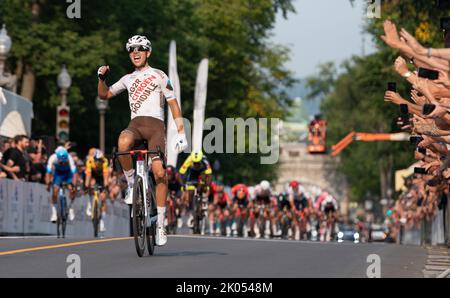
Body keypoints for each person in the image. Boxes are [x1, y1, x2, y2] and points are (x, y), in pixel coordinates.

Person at [97, 35, 187, 246]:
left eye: (140, 49)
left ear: (148, 52)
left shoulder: (159, 75)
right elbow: (104, 96)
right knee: (123, 141)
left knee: (159, 173)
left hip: (156, 127)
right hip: (136, 125)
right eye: (131, 50)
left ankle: (161, 224)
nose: (135, 52)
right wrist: (101, 79)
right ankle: (131, 184)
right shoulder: (127, 79)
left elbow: (173, 103)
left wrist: (181, 131)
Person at [179, 150, 213, 230]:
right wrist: (183, 184)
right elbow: (180, 173)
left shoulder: (205, 161)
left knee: (202, 186)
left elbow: (209, 175)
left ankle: (202, 202)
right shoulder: (189, 159)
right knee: (190, 194)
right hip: (193, 174)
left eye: (198, 162)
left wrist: (206, 186)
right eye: (194, 162)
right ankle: (192, 210)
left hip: (202, 174)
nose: (196, 164)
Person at [45, 146, 77, 222]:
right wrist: (48, 184)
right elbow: (48, 173)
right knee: (55, 191)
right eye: (61, 161)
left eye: (64, 161)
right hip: (58, 174)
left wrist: (73, 186)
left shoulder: (69, 158)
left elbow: (74, 174)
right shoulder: (53, 158)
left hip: (68, 174)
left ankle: (71, 207)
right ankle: (54, 213)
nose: (62, 162)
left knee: (72, 189)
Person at [85, 149, 109, 232]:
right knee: (89, 185)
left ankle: (102, 222)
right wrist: (86, 186)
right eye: (98, 161)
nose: (99, 162)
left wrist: (105, 188)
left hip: (101, 176)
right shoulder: (90, 162)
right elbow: (88, 176)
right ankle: (89, 203)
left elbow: (106, 178)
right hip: (93, 175)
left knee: (103, 198)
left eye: (100, 160)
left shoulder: (105, 162)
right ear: (94, 159)